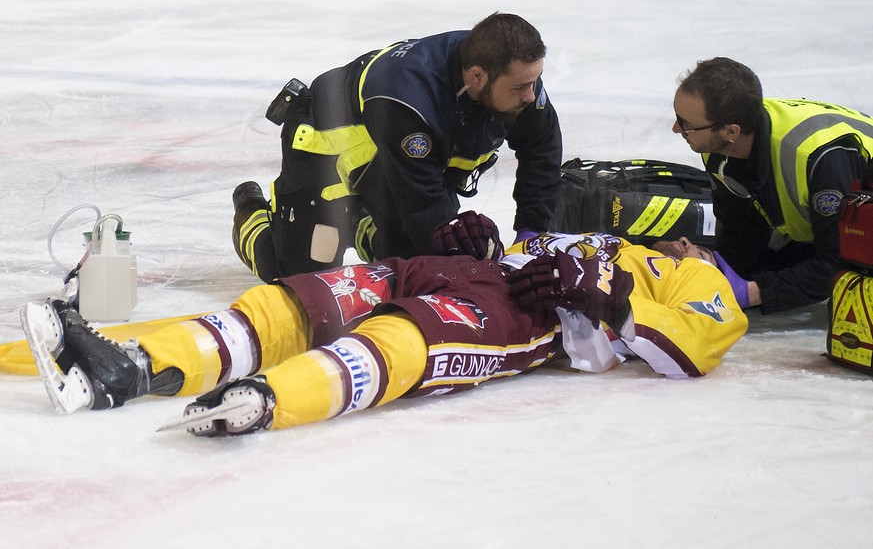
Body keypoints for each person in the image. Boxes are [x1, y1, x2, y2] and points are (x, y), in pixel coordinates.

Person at [22, 213, 747, 437]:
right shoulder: (595, 237)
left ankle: (268, 403)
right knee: (286, 306)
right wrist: (481, 241)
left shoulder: (697, 277)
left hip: (524, 318)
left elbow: (689, 352)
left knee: (400, 341)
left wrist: (605, 301)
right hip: (449, 271)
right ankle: (128, 370)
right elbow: (521, 256)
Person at [232, 12, 563, 283]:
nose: (532, 96)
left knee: (411, 267)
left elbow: (542, 148)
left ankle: (363, 222)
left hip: (395, 166)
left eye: (535, 81)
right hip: (327, 158)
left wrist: (531, 233)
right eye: (521, 86)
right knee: (300, 281)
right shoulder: (409, 99)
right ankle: (251, 210)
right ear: (477, 76)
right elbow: (425, 209)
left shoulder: (509, 73)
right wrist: (469, 266)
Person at [673, 56, 873, 313]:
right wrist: (714, 270)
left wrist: (752, 293)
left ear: (731, 132)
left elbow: (839, 264)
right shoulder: (720, 139)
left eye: (686, 124)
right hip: (824, 229)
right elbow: (742, 230)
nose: (676, 128)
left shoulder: (816, 159)